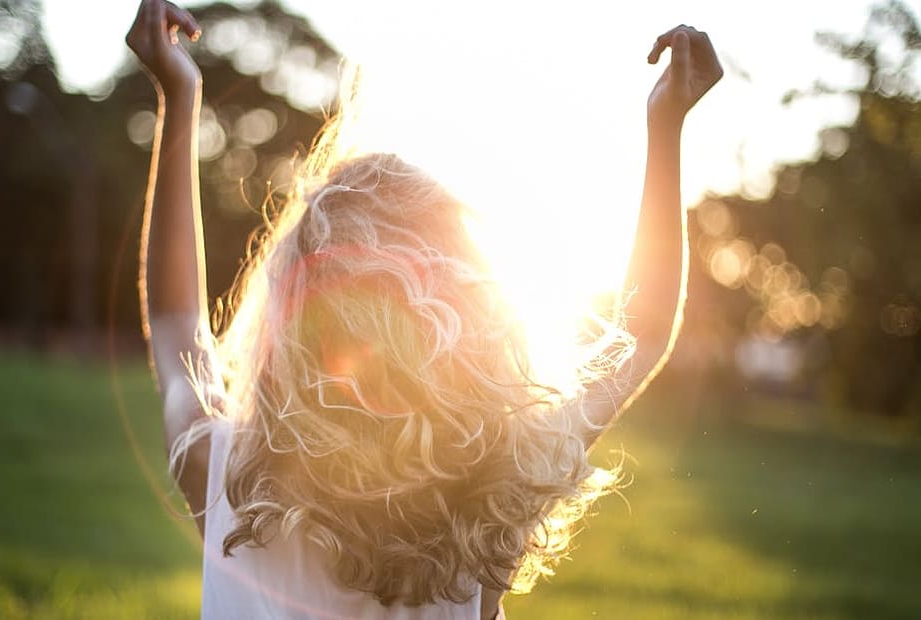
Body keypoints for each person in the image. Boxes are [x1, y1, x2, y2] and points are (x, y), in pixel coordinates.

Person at [126, 1, 722, 618]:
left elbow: (176, 324)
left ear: (292, 328)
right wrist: (666, 125)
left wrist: (180, 96)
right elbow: (641, 332)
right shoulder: (495, 493)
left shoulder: (227, 478)